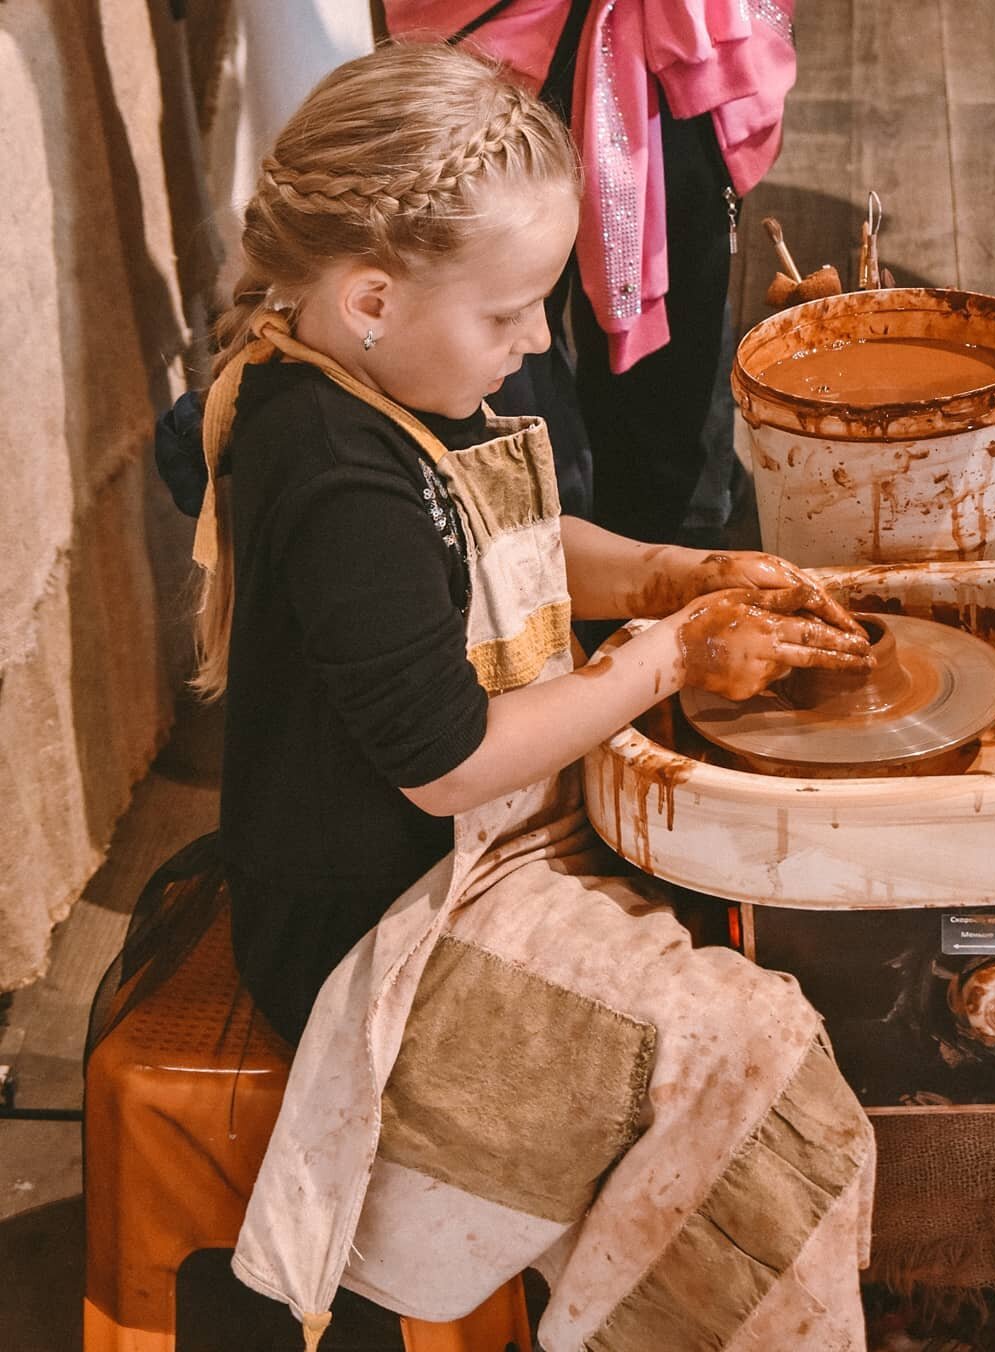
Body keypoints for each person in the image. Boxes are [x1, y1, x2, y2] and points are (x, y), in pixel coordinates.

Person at [163, 42, 876, 1350]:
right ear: (370, 293)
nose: (538, 339)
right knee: (747, 1060)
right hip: (365, 926)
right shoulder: (331, 465)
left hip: (460, 856)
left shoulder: (394, 373)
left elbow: (534, 542)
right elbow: (445, 762)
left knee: (759, 992)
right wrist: (658, 660)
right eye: (510, 315)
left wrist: (676, 573)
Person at [386, 1, 796, 547]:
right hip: (506, 32)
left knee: (676, 316)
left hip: (672, 33)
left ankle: (670, 535)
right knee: (501, 332)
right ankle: (530, 547)